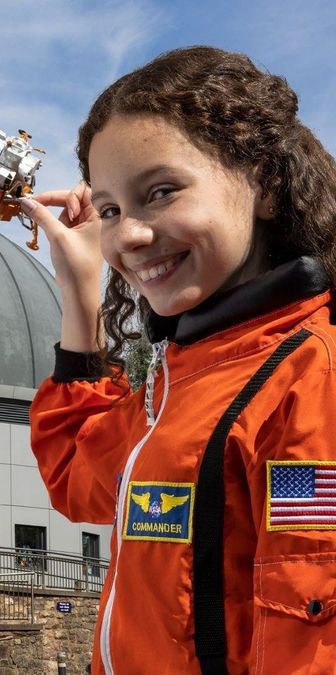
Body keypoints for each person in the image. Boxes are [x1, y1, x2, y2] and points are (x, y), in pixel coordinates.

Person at [22, 46, 336, 674]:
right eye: (110, 209)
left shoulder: (312, 380)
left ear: (266, 186)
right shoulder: (182, 381)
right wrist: (81, 299)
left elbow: (310, 638)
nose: (128, 235)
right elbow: (79, 480)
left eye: (160, 192)